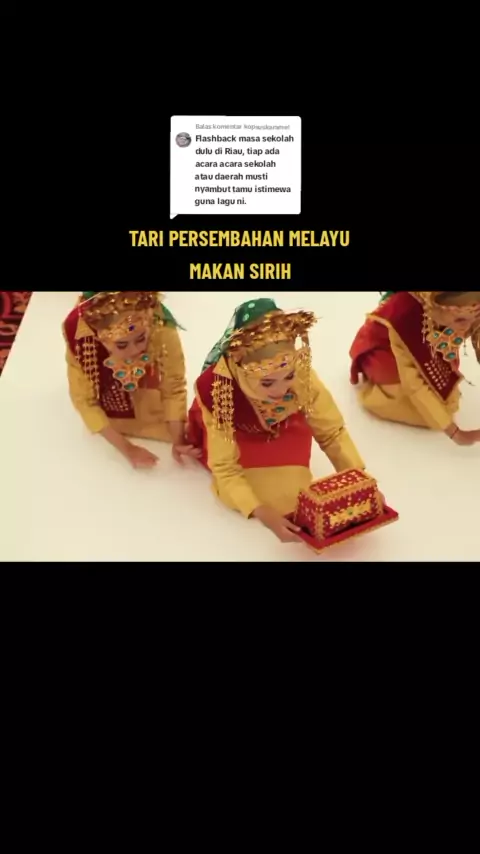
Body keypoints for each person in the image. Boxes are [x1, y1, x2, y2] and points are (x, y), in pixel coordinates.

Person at [188, 298, 367, 543]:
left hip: (286, 426)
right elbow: (225, 468)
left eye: (288, 377)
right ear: (240, 369)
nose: (282, 390)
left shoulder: (298, 371)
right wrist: (261, 512)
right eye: (267, 382)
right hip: (239, 435)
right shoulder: (219, 390)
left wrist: (360, 481)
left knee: (294, 495)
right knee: (270, 498)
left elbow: (331, 431)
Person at [63, 291, 200, 468]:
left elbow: (173, 385)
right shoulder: (80, 337)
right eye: (122, 345)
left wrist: (178, 440)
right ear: (100, 337)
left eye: (141, 339)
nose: (134, 351)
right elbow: (85, 401)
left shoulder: (160, 324)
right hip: (111, 419)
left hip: (151, 408)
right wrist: (128, 449)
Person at [350, 290, 480, 445]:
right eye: (460, 319)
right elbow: (415, 384)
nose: (466, 326)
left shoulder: (469, 305)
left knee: (445, 400)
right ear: (435, 308)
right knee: (432, 412)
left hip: (428, 341)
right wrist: (454, 432)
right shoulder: (405, 317)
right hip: (387, 348)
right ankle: (377, 393)